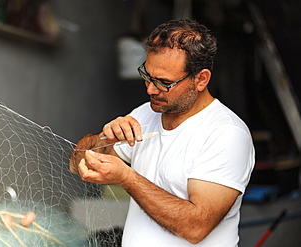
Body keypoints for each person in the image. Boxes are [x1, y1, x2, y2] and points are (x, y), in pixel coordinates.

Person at [69, 19, 255, 246]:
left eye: (164, 82)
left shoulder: (226, 134)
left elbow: (195, 227)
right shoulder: (144, 114)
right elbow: (77, 164)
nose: (150, 89)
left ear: (201, 79)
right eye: (147, 75)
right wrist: (103, 139)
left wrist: (128, 179)